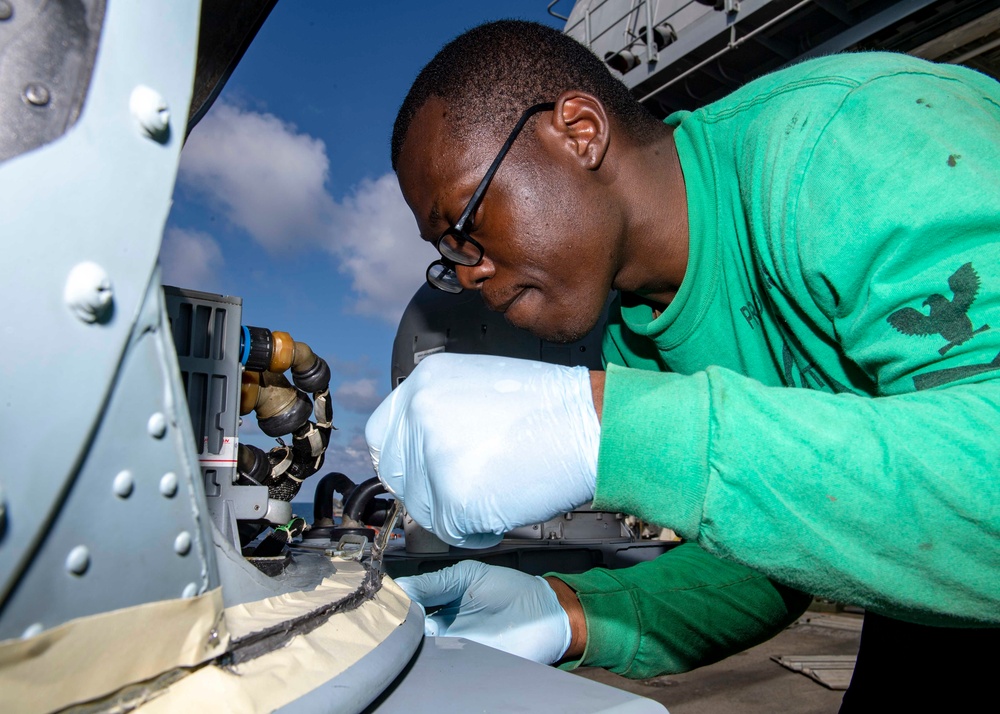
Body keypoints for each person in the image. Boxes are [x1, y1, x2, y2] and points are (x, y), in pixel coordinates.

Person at [365, 20, 1000, 709]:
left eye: (465, 224)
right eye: (449, 252)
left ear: (580, 132)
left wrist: (618, 429)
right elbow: (779, 551)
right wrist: (566, 615)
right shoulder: (634, 342)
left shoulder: (847, 141)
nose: (472, 270)